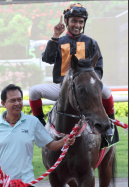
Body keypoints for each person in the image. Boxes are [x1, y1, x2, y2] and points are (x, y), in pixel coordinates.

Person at [29, 3, 115, 140]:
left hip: (85, 90)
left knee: (106, 91)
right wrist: (55, 36)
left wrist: (90, 84)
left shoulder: (91, 43)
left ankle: (110, 124)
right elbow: (47, 59)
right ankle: (40, 123)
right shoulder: (58, 41)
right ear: (66, 21)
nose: (77, 25)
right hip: (62, 88)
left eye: (81, 21)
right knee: (34, 91)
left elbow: (98, 66)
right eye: (74, 20)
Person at [0, 84, 75, 186]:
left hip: (26, 182)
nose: (17, 103)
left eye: (19, 99)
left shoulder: (32, 122)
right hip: (1, 182)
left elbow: (50, 145)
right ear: (3, 103)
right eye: (12, 100)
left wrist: (64, 141)